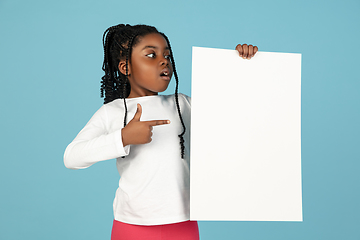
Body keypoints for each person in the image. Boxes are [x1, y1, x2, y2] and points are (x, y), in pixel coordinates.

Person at [64, 24, 258, 240]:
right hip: (132, 225)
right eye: (151, 55)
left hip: (183, 222)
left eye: (167, 54)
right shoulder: (113, 112)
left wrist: (242, 66)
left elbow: (232, 118)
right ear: (125, 67)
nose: (164, 60)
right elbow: (72, 157)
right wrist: (124, 137)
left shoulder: (183, 104)